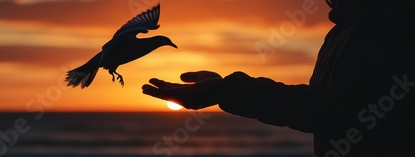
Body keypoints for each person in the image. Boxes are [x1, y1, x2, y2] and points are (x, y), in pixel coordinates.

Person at [142, 0, 414, 156]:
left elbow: (331, 110)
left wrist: (223, 91)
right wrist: (223, 88)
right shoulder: (346, 28)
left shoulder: (388, 25)